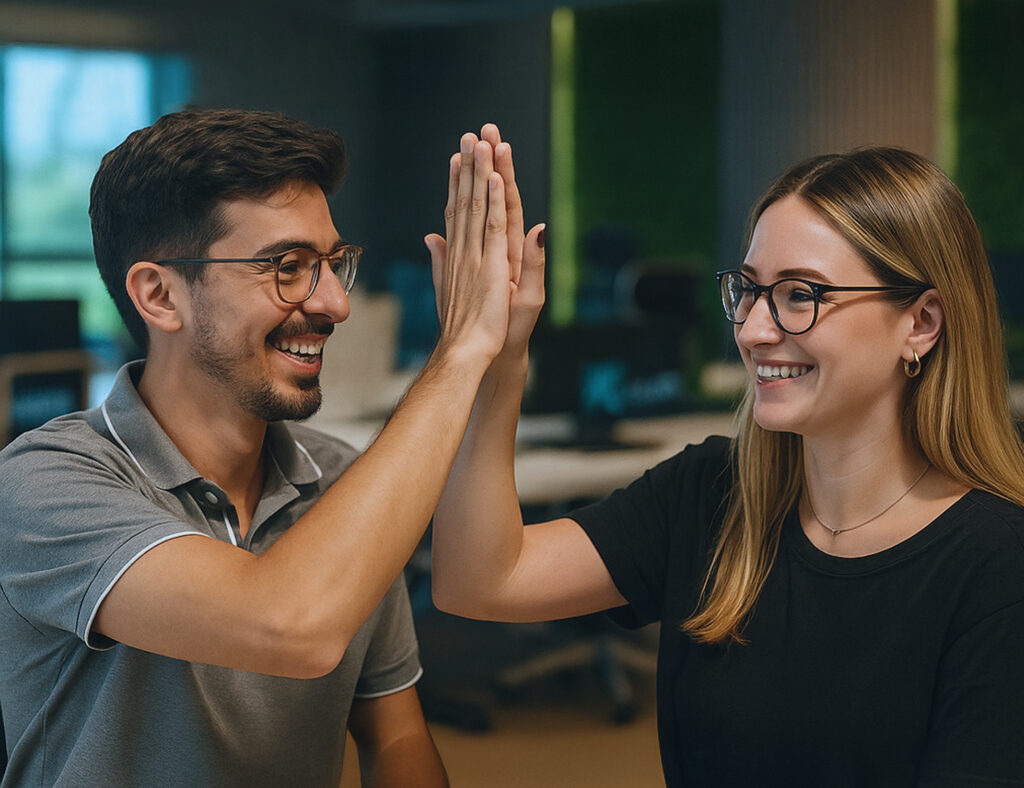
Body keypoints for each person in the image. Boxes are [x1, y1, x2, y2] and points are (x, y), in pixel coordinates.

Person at [430, 145, 1024, 785]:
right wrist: (492, 361)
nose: (751, 330)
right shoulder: (712, 492)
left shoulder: (997, 567)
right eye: (749, 290)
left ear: (921, 323)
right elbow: (478, 582)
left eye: (800, 294)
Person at [0, 109, 540, 786]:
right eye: (288, 267)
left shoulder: (344, 481)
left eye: (332, 264)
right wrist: (459, 352)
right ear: (160, 296)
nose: (334, 304)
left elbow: (395, 733)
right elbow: (287, 625)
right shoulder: (41, 483)